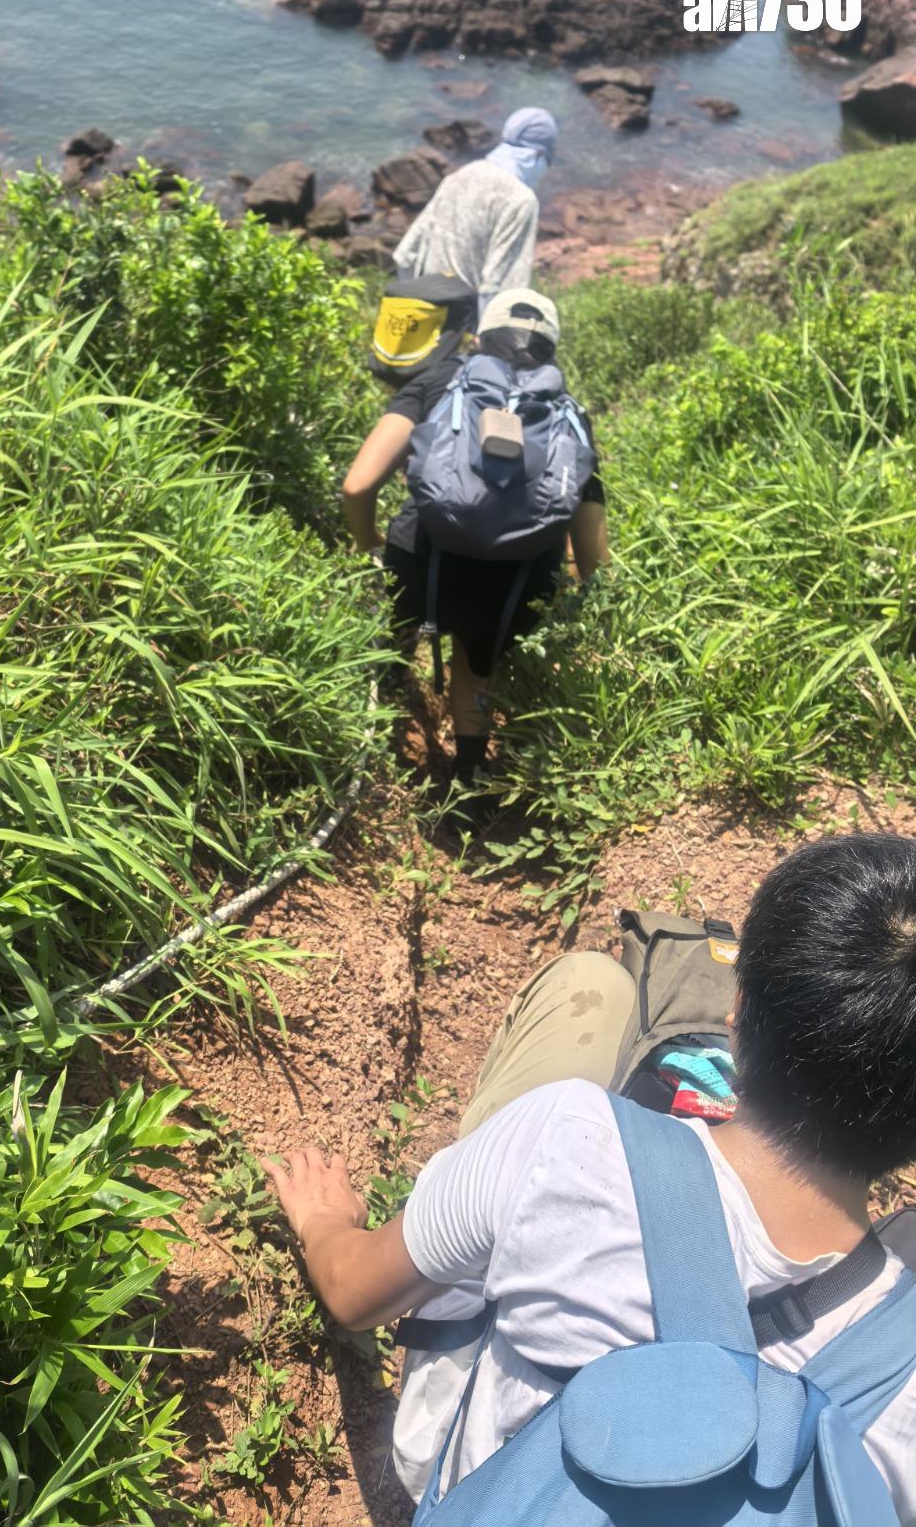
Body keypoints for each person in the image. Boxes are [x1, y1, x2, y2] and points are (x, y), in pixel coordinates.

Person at [264, 834, 916, 1518]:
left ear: (737, 1010)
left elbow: (353, 1293)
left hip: (481, 1492)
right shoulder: (900, 1378)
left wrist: (323, 1221)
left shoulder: (568, 1139)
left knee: (591, 986)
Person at [341, 286, 608, 789]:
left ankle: (383, 717)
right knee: (477, 653)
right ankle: (469, 771)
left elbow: (357, 485)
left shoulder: (439, 379)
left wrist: (366, 540)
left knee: (400, 618)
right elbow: (593, 559)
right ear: (551, 347)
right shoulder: (570, 412)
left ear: (479, 335)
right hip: (515, 583)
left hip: (419, 561)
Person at [393, 108, 558, 319]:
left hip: (418, 321)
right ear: (538, 155)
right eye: (547, 163)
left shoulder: (459, 176)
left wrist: (412, 308)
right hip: (463, 331)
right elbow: (502, 287)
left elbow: (405, 256)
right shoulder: (520, 199)